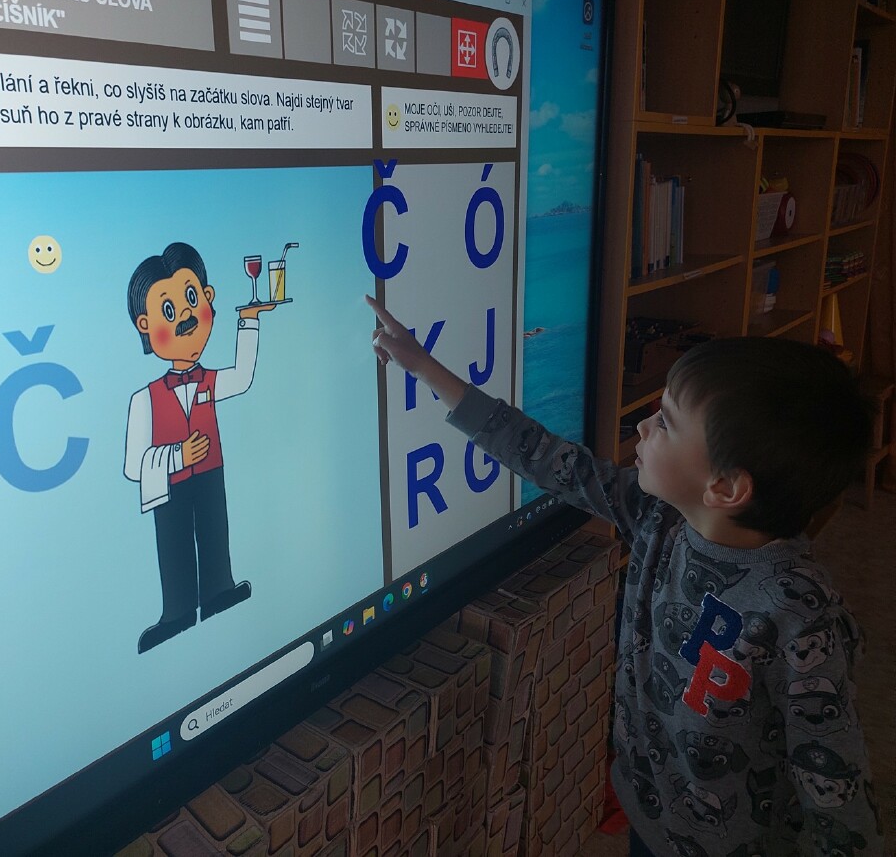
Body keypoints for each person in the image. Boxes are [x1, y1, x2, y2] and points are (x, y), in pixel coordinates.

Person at [366, 295, 884, 857]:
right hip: (648, 813)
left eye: (666, 422)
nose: (643, 424)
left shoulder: (802, 616)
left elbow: (836, 789)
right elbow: (541, 454)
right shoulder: (660, 517)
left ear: (726, 488)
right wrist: (423, 366)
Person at [124, 243, 273, 653]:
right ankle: (176, 615)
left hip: (210, 474)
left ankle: (219, 591)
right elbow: (134, 467)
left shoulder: (209, 381)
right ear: (145, 324)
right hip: (169, 487)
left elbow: (242, 377)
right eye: (168, 311)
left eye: (192, 298)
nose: (186, 317)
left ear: (208, 298)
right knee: (173, 546)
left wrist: (249, 321)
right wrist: (177, 456)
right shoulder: (144, 400)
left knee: (214, 533)